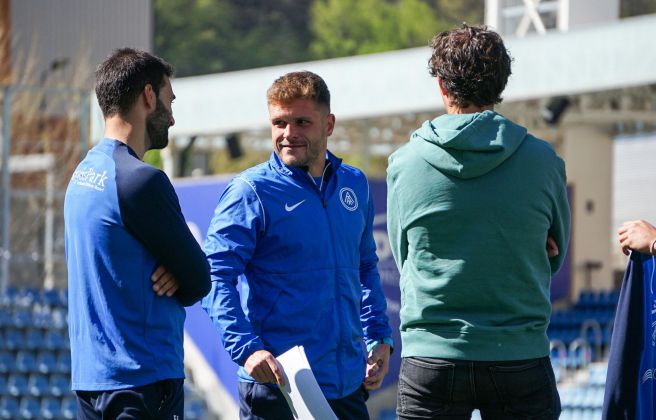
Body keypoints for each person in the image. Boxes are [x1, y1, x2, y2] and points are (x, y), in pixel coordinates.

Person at [387, 25, 571, 419]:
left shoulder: (405, 163)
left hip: (431, 354)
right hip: (519, 352)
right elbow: (556, 255)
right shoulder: (543, 160)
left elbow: (405, 258)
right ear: (501, 84)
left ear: (441, 85)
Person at [202, 71, 393, 420]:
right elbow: (214, 275)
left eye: (302, 122)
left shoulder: (354, 184)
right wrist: (247, 350)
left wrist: (378, 336)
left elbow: (365, 267)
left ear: (329, 124)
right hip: (278, 389)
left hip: (348, 387)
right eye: (279, 123)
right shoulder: (251, 191)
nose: (288, 134)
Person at [64, 48, 211, 419]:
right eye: (169, 99)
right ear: (149, 96)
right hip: (142, 380)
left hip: (92, 381)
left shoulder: (81, 176)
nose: (173, 116)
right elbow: (198, 280)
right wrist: (179, 268)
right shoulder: (140, 180)